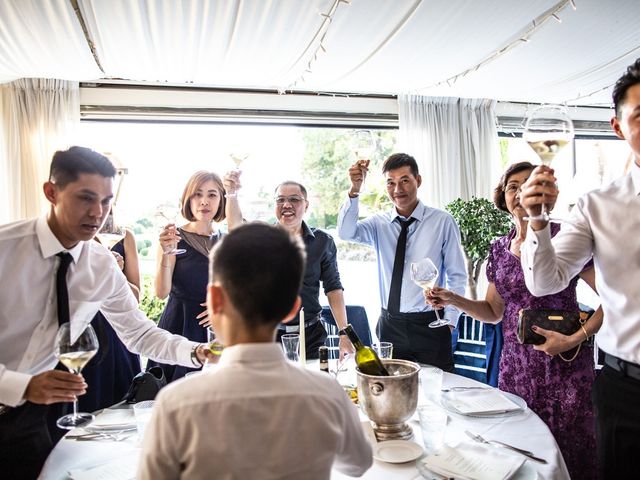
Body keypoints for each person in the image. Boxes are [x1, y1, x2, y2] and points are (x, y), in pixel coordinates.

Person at [0, 146, 212, 479]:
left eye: (106, 201)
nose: (98, 213)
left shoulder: (99, 264)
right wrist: (20, 385)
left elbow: (138, 332)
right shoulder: (5, 249)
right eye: (86, 198)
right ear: (51, 192)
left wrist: (196, 351)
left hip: (31, 419)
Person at [138, 222, 373, 480]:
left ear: (215, 301)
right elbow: (358, 464)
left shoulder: (175, 404)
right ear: (292, 309)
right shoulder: (328, 394)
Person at [426, 161, 602, 479]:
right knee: (519, 450)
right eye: (512, 186)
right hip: (516, 369)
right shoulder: (499, 248)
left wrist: (574, 338)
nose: (520, 191)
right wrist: (453, 299)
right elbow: (494, 311)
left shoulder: (565, 237)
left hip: (564, 366)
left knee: (568, 448)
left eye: (527, 184)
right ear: (503, 196)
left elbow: (614, 298)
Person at [520, 59, 640, 479]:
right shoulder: (597, 205)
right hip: (628, 392)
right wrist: (537, 221)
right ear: (618, 127)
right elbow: (545, 282)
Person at [337, 153, 466, 371]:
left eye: (405, 180)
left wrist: (450, 321)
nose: (398, 189)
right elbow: (346, 232)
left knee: (439, 389)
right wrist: (355, 190)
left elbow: (457, 275)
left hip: (431, 324)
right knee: (392, 391)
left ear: (418, 180)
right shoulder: (379, 224)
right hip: (390, 325)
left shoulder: (442, 221)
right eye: (391, 183)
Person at [223, 174, 353, 360]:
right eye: (281, 200)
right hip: (268, 336)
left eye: (294, 199)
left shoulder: (323, 241)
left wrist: (344, 333)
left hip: (311, 336)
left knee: (312, 386)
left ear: (306, 205)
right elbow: (234, 227)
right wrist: (231, 193)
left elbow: (333, 288)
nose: (287, 205)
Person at [148, 170, 240, 382]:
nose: (204, 202)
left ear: (221, 200)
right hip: (180, 327)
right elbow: (161, 293)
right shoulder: (173, 238)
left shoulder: (227, 241)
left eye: (212, 195)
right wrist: (166, 252)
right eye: (197, 194)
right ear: (188, 200)